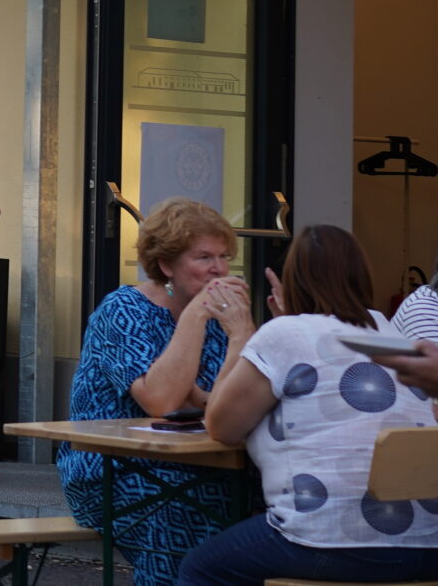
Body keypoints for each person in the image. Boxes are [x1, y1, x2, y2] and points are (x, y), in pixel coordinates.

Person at [176, 225, 438, 586]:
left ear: (291, 282)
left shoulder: (284, 335)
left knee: (200, 568)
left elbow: (221, 426)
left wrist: (240, 335)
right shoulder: (391, 334)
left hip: (329, 540)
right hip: (426, 546)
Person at [60, 196, 255, 586]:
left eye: (223, 257)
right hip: (113, 469)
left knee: (265, 504)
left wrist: (241, 334)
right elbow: (162, 401)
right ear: (166, 264)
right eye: (203, 258)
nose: (218, 269)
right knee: (180, 511)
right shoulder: (123, 310)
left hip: (203, 464)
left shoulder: (223, 317)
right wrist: (198, 314)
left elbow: (231, 402)